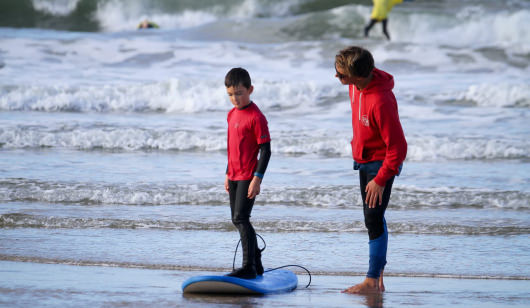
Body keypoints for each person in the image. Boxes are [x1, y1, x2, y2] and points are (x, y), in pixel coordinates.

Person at [334, 46, 407, 293]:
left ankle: (372, 280)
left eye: (342, 75)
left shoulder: (381, 101)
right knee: (375, 217)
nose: (338, 78)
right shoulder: (356, 86)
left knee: (373, 218)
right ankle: (379, 281)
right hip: (364, 160)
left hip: (380, 163)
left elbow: (398, 147)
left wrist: (381, 179)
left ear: (359, 76)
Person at [224, 67, 271, 279]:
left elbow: (266, 150)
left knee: (241, 218)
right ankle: (257, 263)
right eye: (231, 95)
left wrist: (257, 178)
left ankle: (248, 266)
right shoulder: (231, 114)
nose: (235, 99)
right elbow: (232, 147)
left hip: (247, 176)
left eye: (239, 93)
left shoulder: (256, 117)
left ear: (250, 90)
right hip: (233, 175)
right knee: (237, 219)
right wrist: (227, 173)